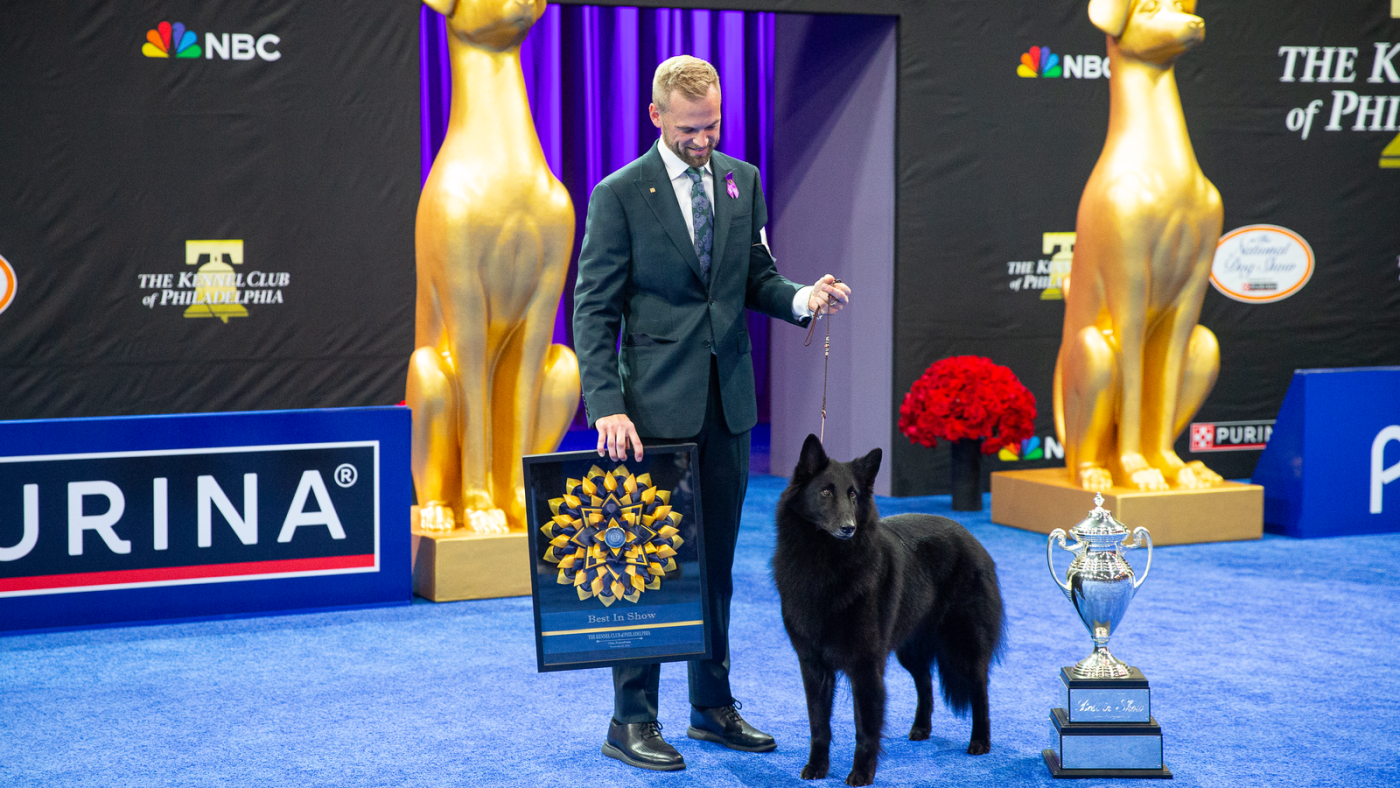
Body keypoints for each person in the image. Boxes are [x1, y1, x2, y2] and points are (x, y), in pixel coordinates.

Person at [572, 55, 852, 772]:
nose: (704, 140)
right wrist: (605, 405)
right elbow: (594, 309)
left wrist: (802, 298)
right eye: (692, 129)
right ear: (657, 117)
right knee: (647, 568)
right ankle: (630, 719)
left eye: (714, 126)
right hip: (648, 414)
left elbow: (754, 277)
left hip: (727, 407)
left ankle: (710, 708)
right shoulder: (620, 194)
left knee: (716, 568)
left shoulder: (742, 180)